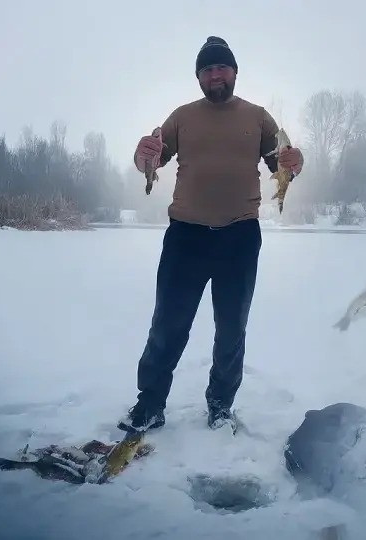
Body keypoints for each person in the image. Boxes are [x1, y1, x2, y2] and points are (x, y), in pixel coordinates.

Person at [117, 36, 304, 434]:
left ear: (234, 72)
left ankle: (220, 407)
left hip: (239, 236)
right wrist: (142, 154)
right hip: (186, 236)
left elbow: (281, 163)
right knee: (168, 326)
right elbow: (152, 157)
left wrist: (295, 161)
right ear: (199, 77)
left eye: (222, 67)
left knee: (232, 329)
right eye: (207, 69)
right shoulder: (182, 116)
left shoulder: (257, 117)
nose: (215, 74)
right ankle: (149, 405)